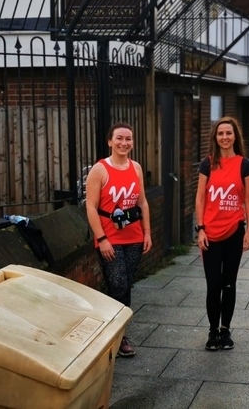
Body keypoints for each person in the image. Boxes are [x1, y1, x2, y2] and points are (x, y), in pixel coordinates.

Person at [85, 122, 152, 358]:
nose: (125, 143)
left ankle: (118, 333)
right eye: (120, 138)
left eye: (129, 139)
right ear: (110, 141)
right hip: (109, 238)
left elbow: (142, 202)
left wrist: (147, 232)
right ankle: (116, 335)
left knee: (125, 287)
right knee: (118, 284)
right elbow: (91, 208)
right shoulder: (100, 170)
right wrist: (101, 239)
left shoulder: (136, 167)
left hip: (133, 236)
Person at [194, 116, 249, 351]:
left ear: (235, 136)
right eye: (221, 133)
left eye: (229, 133)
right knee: (213, 284)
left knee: (229, 283)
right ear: (215, 137)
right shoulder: (207, 164)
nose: (225, 137)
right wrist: (200, 229)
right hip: (210, 233)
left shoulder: (245, 164)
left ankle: (225, 330)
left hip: (234, 232)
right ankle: (212, 332)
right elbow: (200, 197)